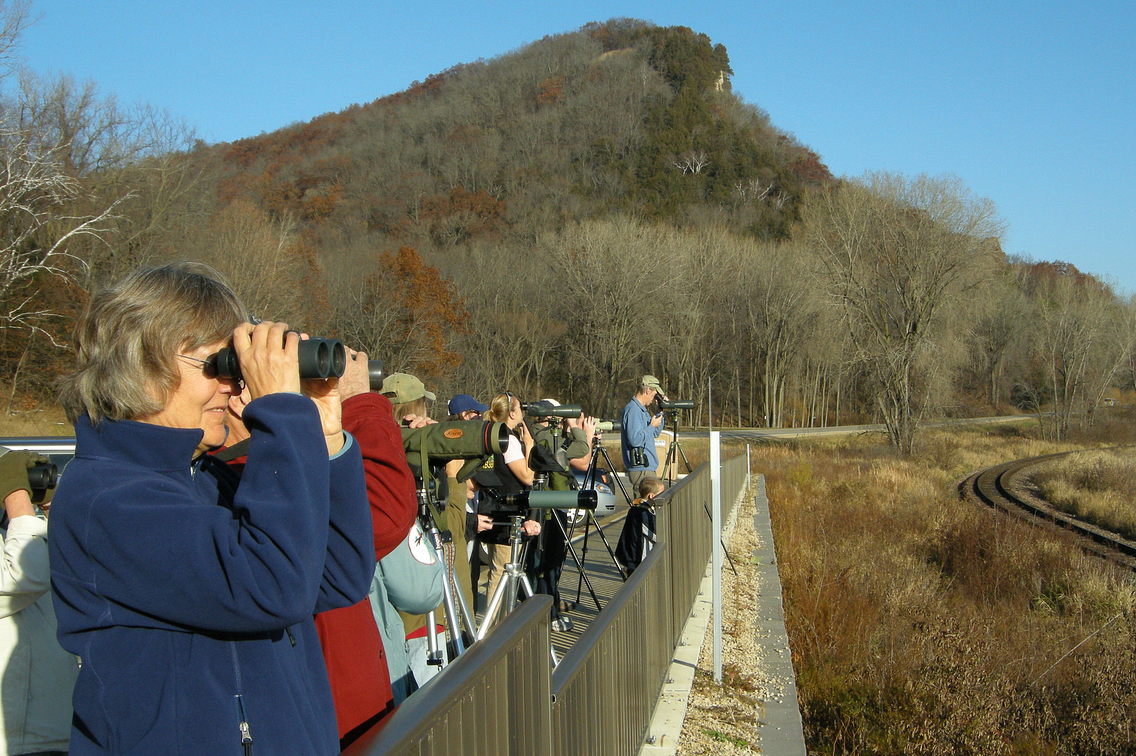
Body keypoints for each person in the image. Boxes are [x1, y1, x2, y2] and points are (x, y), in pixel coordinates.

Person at [50, 263, 374, 756]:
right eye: (218, 364)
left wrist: (327, 435)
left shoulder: (206, 480)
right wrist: (282, 415)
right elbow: (273, 586)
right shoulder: (105, 501)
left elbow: (340, 574)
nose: (233, 385)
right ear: (141, 363)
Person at [218, 348, 417, 747]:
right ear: (240, 396)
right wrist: (357, 402)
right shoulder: (239, 477)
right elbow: (384, 514)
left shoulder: (261, 468)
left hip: (344, 709)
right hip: (329, 716)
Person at [0, 448, 78, 756]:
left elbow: (76, 565)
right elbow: (23, 578)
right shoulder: (18, 527)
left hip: (54, 730)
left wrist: (48, 503)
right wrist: (16, 495)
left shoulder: (15, 530)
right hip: (12, 739)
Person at [525, 400, 595, 632]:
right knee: (549, 562)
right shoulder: (548, 438)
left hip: (543, 505)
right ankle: (547, 612)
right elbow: (583, 456)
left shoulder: (535, 433)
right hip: (551, 506)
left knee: (540, 562)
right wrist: (581, 430)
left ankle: (548, 605)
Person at [474, 392, 540, 608]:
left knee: (497, 569)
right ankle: (493, 631)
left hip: (492, 508)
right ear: (512, 413)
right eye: (520, 408)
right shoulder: (509, 440)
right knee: (502, 572)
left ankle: (497, 626)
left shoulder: (491, 434)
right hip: (507, 512)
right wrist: (529, 445)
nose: (523, 412)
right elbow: (528, 476)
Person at [620, 375, 667, 493]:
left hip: (646, 468)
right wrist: (651, 426)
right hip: (641, 469)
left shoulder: (641, 410)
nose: (653, 398)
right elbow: (635, 439)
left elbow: (654, 433)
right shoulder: (633, 410)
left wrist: (659, 412)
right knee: (644, 506)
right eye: (654, 394)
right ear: (647, 390)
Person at [615, 476, 665, 575]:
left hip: (631, 557)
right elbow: (657, 534)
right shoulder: (643, 513)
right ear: (651, 496)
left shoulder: (636, 509)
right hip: (638, 560)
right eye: (661, 494)